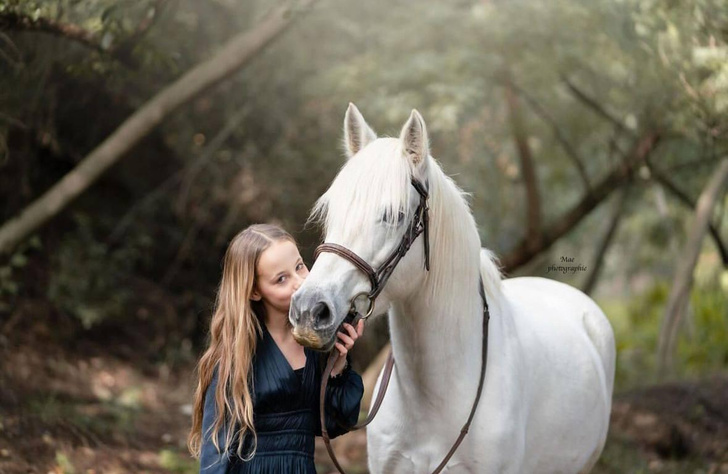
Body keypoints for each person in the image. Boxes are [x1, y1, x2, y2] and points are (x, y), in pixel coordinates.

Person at [187, 224, 365, 473]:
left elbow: (333, 425)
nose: (299, 282)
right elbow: (216, 453)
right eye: (281, 279)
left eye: (299, 266)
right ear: (255, 291)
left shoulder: (316, 345)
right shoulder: (237, 355)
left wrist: (338, 366)